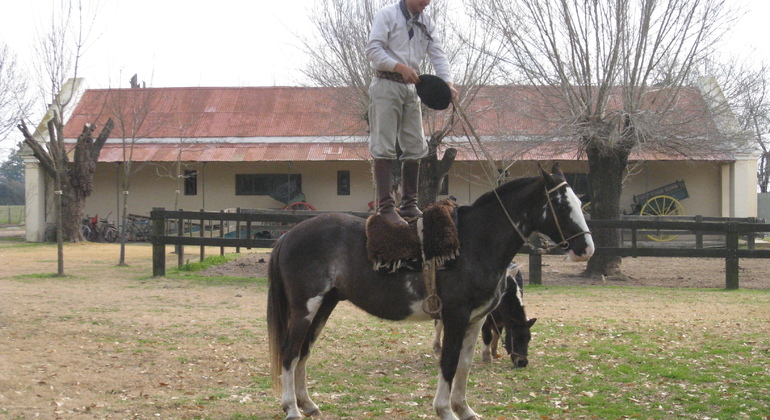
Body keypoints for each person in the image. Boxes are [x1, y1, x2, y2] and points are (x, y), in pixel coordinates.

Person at [365, 0, 457, 226]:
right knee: (384, 145)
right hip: (385, 84)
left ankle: (409, 204)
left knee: (416, 146)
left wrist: (447, 83)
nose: (427, 2)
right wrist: (399, 67)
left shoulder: (427, 22)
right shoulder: (387, 15)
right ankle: (386, 207)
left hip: (411, 88)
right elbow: (373, 49)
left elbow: (438, 54)